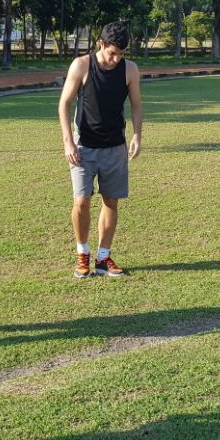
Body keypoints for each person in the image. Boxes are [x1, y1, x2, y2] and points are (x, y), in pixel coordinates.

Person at [58, 21, 143, 278]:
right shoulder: (82, 65)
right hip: (83, 146)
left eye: (121, 54)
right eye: (112, 53)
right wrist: (67, 141)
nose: (116, 59)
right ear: (101, 44)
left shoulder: (129, 70)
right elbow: (64, 104)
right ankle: (82, 253)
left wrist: (137, 134)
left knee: (111, 201)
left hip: (115, 147)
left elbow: (137, 105)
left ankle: (103, 258)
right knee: (81, 200)